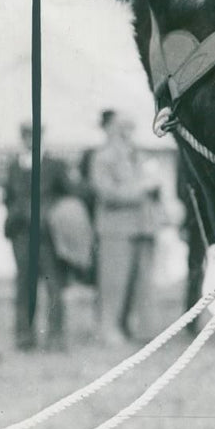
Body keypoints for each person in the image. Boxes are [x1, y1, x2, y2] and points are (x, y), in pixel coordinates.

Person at [90, 109, 160, 344]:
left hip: (143, 227)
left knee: (141, 284)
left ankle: (138, 329)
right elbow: (106, 193)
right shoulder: (103, 157)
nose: (128, 133)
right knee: (113, 284)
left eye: (131, 128)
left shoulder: (139, 156)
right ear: (112, 130)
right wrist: (142, 189)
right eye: (123, 129)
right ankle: (108, 329)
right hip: (115, 229)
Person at [3, 121, 73, 351]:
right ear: (21, 138)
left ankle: (55, 337)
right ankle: (24, 337)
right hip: (21, 234)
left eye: (34, 136)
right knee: (24, 285)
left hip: (48, 235)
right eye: (26, 136)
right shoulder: (14, 166)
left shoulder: (55, 165)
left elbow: (71, 193)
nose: (30, 140)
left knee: (53, 284)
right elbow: (7, 196)